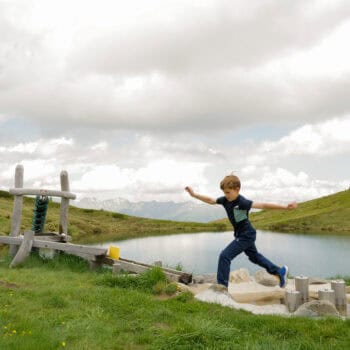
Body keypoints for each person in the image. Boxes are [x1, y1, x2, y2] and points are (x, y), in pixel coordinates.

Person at [185, 174, 297, 292]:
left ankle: (222, 288)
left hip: (246, 235)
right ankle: (280, 271)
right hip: (241, 235)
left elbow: (263, 205)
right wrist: (194, 195)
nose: (226, 195)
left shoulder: (243, 202)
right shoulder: (225, 200)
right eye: (224, 192)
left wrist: (285, 207)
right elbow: (211, 200)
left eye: (228, 192)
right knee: (254, 257)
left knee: (225, 256)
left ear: (237, 189)